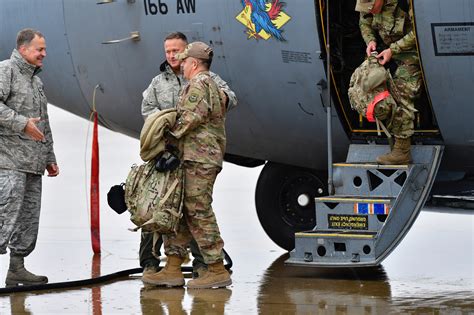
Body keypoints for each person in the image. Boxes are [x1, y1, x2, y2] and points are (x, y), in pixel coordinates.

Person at [139, 32, 236, 278]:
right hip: (182, 157)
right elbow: (148, 110)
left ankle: (213, 266)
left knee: (197, 211)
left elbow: (188, 121)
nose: (177, 60)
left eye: (181, 57)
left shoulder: (202, 82)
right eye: (170, 53)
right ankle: (171, 266)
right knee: (175, 209)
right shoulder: (159, 82)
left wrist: (161, 139)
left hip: (197, 157)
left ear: (192, 61)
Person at [0, 28, 59, 286]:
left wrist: (49, 156)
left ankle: (17, 268)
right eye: (40, 49)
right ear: (23, 49)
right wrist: (22, 123)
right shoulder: (6, 71)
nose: (44, 54)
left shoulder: (36, 81)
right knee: (4, 217)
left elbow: (43, 123)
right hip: (8, 161)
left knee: (28, 221)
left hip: (33, 164)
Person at [356, 0, 422, 164]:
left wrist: (393, 50)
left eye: (373, 9)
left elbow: (419, 31)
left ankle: (402, 150)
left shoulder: (406, 3)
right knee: (365, 84)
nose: (371, 12)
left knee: (402, 89)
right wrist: (370, 41)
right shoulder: (368, 6)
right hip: (385, 52)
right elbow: (364, 21)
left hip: (411, 52)